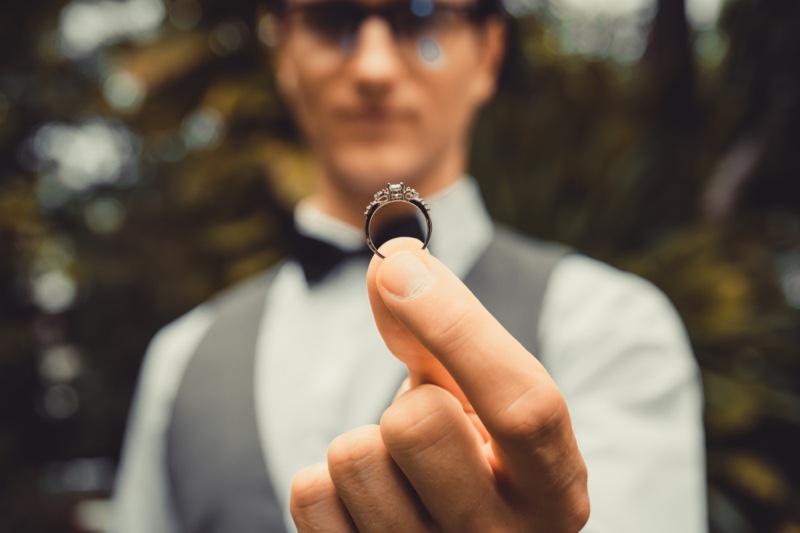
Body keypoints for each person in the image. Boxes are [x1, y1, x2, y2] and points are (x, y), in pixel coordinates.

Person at [110, 0, 707, 531]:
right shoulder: (179, 358)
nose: (373, 68)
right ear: (284, 53)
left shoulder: (613, 323)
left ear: (488, 53)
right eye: (332, 20)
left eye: (421, 16)